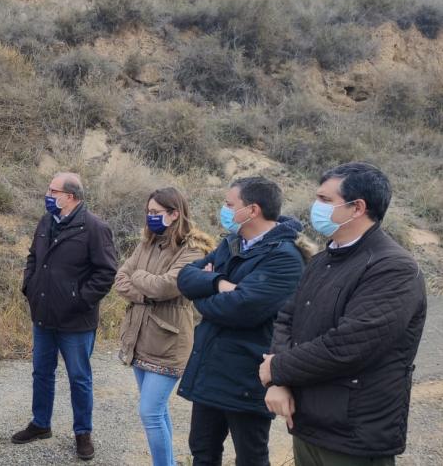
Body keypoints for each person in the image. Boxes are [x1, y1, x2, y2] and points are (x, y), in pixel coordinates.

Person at [260, 162, 427, 466]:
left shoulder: (393, 268)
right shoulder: (322, 260)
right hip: (308, 422)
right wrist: (279, 381)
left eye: (325, 200)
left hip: (353, 433)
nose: (315, 206)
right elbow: (287, 319)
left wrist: (278, 368)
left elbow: (350, 346)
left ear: (357, 207)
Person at [176, 177, 309, 466]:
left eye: (228, 204)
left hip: (246, 377)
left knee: (250, 458)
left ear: (252, 210)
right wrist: (220, 284)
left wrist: (204, 290)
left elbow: (241, 308)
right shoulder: (232, 242)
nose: (223, 210)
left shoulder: (285, 258)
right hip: (210, 369)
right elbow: (185, 278)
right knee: (202, 451)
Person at [12, 172, 117, 461]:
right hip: (43, 315)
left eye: (52, 190)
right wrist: (29, 286)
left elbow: (106, 272)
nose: (47, 194)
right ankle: (40, 424)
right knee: (41, 373)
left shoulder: (95, 227)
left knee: (79, 378)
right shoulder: (46, 221)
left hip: (76, 322)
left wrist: (79, 300)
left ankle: (83, 434)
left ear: (69, 196)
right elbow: (33, 257)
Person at [114, 187, 216, 466]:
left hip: (169, 341)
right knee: (157, 411)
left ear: (175, 214)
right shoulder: (147, 242)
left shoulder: (193, 249)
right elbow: (121, 278)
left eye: (156, 213)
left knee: (149, 412)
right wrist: (144, 287)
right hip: (139, 336)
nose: (150, 217)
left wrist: (140, 278)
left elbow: (170, 285)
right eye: (148, 212)